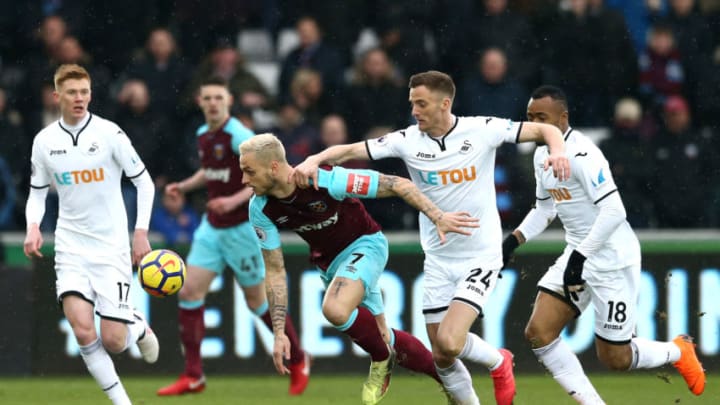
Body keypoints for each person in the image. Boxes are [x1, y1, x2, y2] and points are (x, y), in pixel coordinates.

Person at [292, 70, 572, 405]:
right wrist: (314, 160)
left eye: (421, 104)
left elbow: (545, 129)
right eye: (412, 103)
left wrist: (558, 151)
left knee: (451, 342)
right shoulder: (407, 140)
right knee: (441, 357)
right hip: (438, 260)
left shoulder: (482, 129)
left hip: (479, 255)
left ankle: (499, 361)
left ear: (445, 103)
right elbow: (350, 150)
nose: (415, 111)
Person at [240, 133, 479, 405]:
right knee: (383, 335)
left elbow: (396, 184)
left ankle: (380, 359)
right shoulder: (260, 208)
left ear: (273, 167)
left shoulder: (325, 180)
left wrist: (439, 216)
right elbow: (274, 270)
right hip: (330, 265)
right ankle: (451, 382)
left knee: (335, 309)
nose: (244, 180)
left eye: (249, 171)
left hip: (366, 245)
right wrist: (280, 332)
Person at [502, 85, 706, 404]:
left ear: (562, 118)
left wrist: (580, 255)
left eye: (542, 117)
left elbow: (615, 211)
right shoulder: (542, 154)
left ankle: (677, 350)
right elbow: (545, 208)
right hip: (579, 253)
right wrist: (514, 240)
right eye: (530, 118)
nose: (535, 124)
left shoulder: (583, 154)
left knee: (615, 358)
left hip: (612, 258)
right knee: (538, 332)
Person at [157, 76, 310, 396]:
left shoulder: (239, 135)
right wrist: (184, 186)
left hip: (242, 229)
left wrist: (233, 200)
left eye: (218, 98)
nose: (213, 103)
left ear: (227, 101)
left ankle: (298, 359)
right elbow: (212, 173)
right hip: (212, 227)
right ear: (200, 102)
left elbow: (264, 177)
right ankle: (194, 374)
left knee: (256, 301)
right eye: (207, 98)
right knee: (188, 293)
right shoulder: (202, 134)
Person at [23, 64, 158, 405]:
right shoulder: (44, 142)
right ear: (58, 97)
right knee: (83, 330)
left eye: (84, 92)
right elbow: (37, 192)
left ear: (91, 95)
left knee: (113, 340)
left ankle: (137, 327)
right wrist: (33, 227)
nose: (79, 98)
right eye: (72, 92)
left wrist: (140, 233)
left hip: (111, 247)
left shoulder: (110, 134)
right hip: (70, 245)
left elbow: (144, 182)